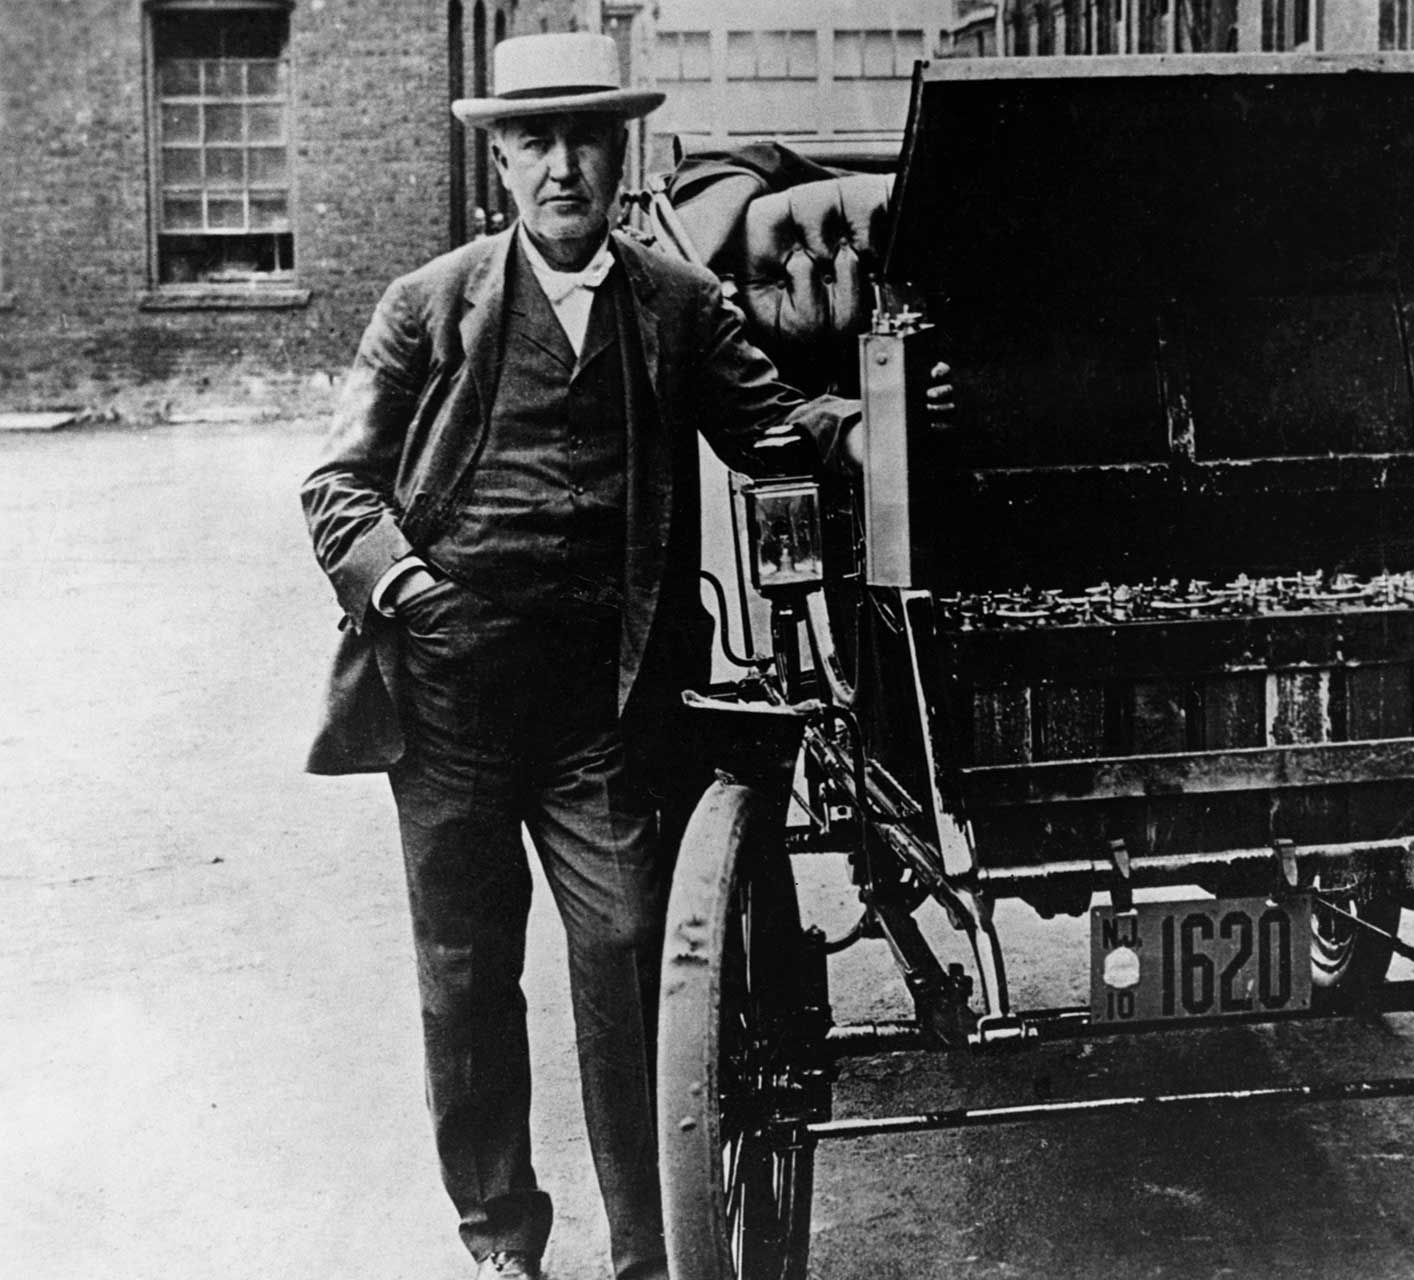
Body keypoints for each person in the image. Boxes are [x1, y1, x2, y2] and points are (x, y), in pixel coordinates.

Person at [299, 32, 944, 1280]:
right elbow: (339, 487)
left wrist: (868, 427)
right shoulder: (426, 309)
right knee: (466, 979)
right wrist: (412, 588)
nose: (561, 168)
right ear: (500, 161)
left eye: (585, 140)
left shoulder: (677, 305)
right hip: (449, 701)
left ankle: (651, 1251)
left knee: (628, 954)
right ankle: (501, 1233)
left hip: (601, 707)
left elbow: (772, 424)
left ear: (622, 152)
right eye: (535, 142)